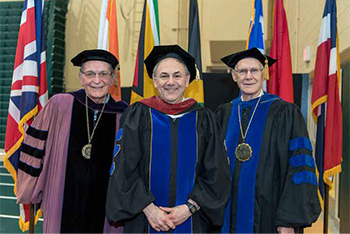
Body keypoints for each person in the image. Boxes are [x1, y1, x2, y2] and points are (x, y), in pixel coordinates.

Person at [106, 45, 231, 232]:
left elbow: (217, 171)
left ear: (188, 80)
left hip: (192, 220)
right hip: (145, 219)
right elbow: (124, 168)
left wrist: (189, 208)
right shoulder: (138, 115)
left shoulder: (204, 119)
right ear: (154, 81)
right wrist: (149, 209)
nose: (170, 82)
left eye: (177, 75)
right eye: (164, 76)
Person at [16, 49, 128, 233]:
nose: (97, 80)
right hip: (61, 197)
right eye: (90, 74)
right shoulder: (60, 105)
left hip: (108, 206)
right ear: (81, 77)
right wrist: (31, 188)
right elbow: (35, 148)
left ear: (113, 77)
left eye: (104, 74)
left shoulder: (124, 113)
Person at [217, 47, 321, 233]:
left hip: (270, 214)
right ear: (234, 76)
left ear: (264, 74)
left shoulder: (285, 113)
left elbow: (299, 166)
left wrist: (289, 219)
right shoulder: (224, 113)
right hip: (227, 213)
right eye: (242, 71)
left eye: (254, 70)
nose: (249, 76)